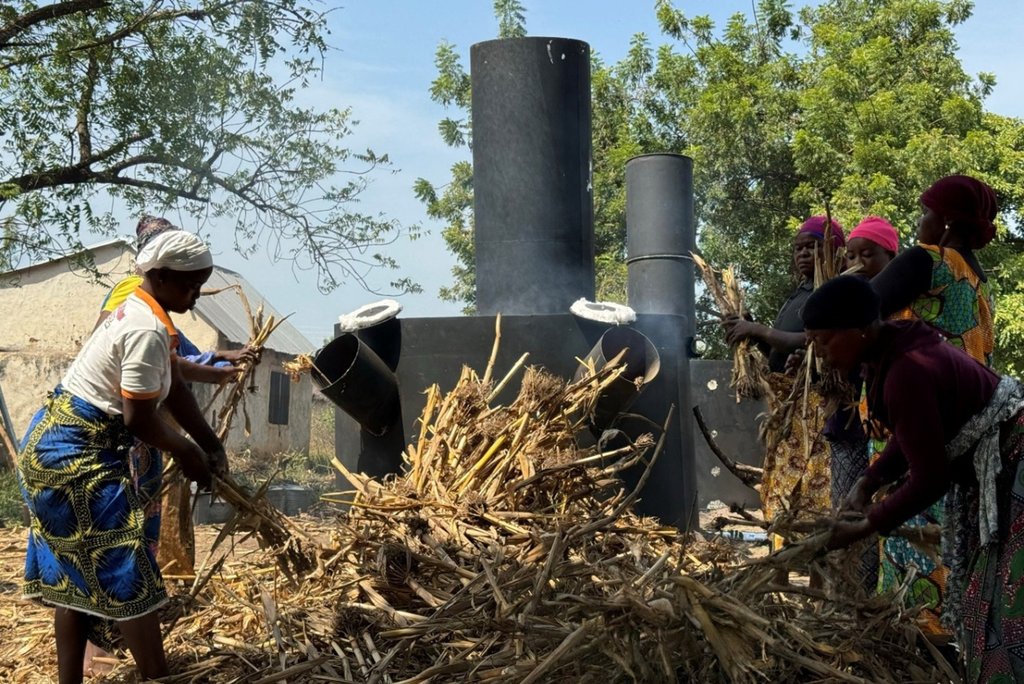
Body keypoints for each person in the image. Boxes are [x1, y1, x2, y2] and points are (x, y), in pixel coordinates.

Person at [17, 230, 228, 684]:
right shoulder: (145, 328)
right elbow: (139, 419)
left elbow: (175, 388)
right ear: (163, 276)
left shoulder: (146, 309)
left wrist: (211, 444)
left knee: (78, 584)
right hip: (72, 460)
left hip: (61, 446)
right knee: (127, 574)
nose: (195, 294)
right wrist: (189, 451)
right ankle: (156, 677)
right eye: (191, 285)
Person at [804, 275, 1024, 682]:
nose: (821, 355)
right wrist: (867, 483)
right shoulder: (894, 348)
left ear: (858, 331)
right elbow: (913, 433)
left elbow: (930, 479)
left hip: (1014, 467)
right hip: (1002, 464)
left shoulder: (905, 370)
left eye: (824, 341)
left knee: (1009, 600)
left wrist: (868, 525)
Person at [866, 176, 998, 635]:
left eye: (924, 212)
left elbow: (858, 309)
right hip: (965, 432)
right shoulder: (978, 282)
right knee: (952, 544)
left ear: (944, 221)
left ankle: (917, 642)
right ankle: (951, 640)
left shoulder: (927, 260)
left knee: (911, 549)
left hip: (915, 427)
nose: (917, 222)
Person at [723, 216, 844, 569]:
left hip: (814, 405)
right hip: (787, 407)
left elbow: (813, 340)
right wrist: (747, 332)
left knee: (813, 492)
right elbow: (782, 345)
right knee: (781, 491)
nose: (803, 254)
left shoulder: (831, 289)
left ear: (833, 249)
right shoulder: (800, 293)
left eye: (812, 246)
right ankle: (782, 570)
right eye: (798, 248)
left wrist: (757, 329)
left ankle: (817, 570)